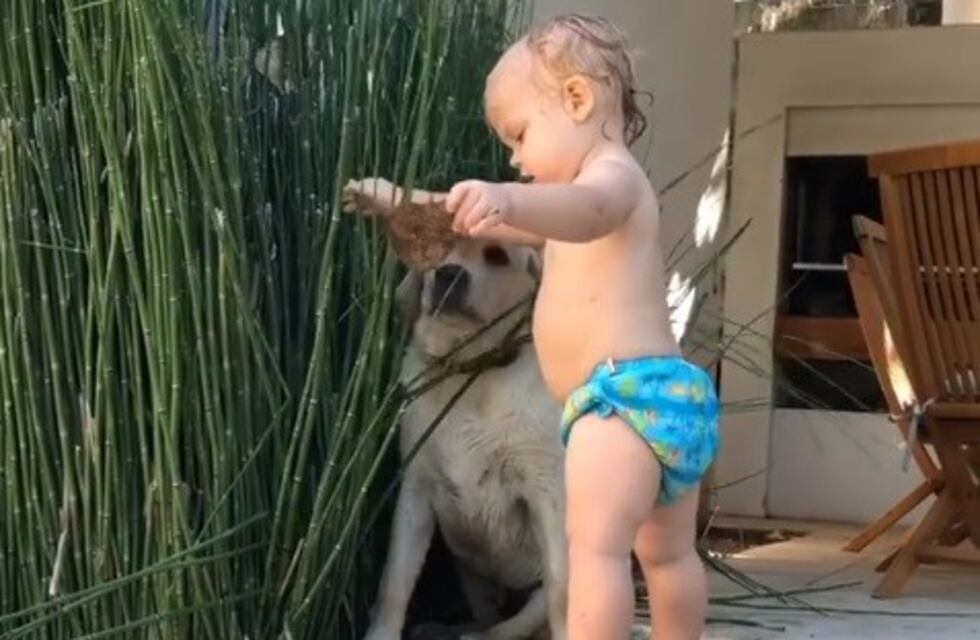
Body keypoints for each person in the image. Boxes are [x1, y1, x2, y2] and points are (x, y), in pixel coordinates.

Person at [444, 14, 719, 640]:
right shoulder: (567, 205)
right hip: (669, 402)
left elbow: (587, 212)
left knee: (595, 552)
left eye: (518, 134)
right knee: (669, 557)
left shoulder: (610, 179)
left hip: (619, 402)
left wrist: (506, 198)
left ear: (576, 99)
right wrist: (419, 205)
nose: (514, 160)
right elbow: (522, 224)